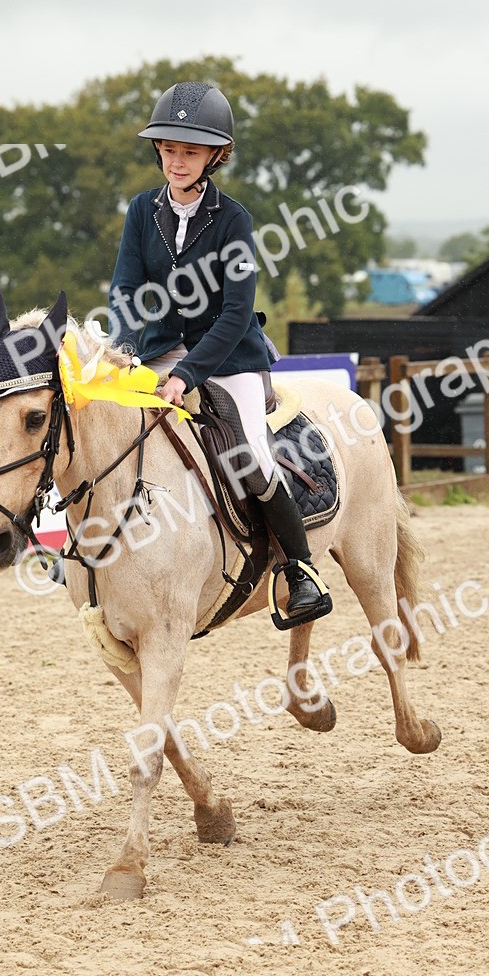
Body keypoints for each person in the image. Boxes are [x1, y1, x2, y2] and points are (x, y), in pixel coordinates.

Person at [108, 80, 330, 624]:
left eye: (189, 151)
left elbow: (235, 314)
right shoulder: (141, 211)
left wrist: (187, 373)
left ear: (215, 155)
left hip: (228, 359)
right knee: (106, 430)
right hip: (157, 356)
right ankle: (98, 554)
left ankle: (298, 570)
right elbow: (126, 292)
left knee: (249, 453)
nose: (176, 161)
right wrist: (122, 347)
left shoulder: (233, 220)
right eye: (168, 149)